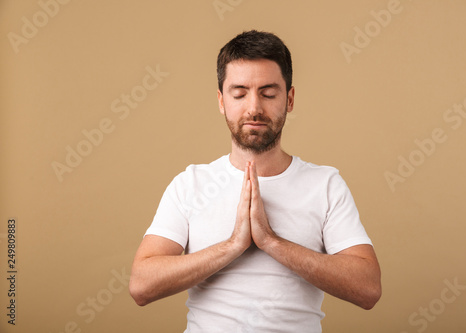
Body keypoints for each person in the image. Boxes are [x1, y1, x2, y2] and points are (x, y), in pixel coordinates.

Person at [129, 30, 381, 332]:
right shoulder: (190, 184)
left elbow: (368, 289)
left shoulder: (325, 184)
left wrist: (271, 242)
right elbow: (141, 285)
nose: (254, 109)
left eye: (268, 93)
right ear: (222, 101)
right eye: (239, 94)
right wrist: (233, 245)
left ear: (289, 99)